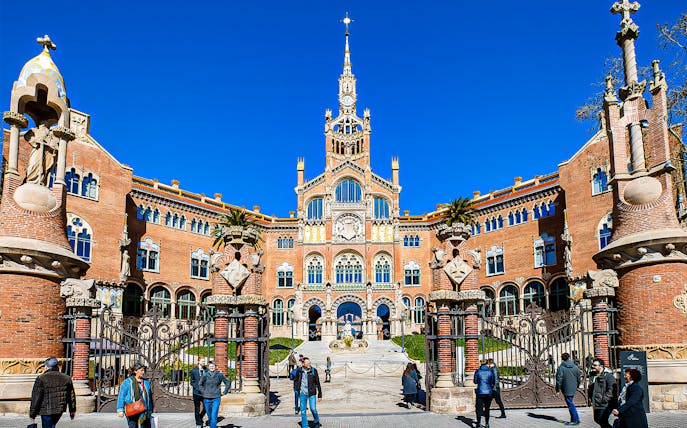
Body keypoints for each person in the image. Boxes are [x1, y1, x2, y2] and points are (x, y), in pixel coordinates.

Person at [29, 357, 76, 428]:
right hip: (59, 409)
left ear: (47, 367)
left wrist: (32, 413)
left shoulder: (41, 378)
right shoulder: (66, 378)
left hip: (46, 409)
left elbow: (36, 397)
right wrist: (72, 410)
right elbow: (71, 396)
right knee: (52, 425)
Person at [116, 361, 154, 428]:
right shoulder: (127, 382)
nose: (143, 372)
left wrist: (150, 409)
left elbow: (149, 397)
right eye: (141, 370)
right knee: (133, 426)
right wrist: (120, 409)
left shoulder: (146, 382)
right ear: (135, 371)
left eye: (143, 370)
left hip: (145, 410)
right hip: (132, 409)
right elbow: (121, 396)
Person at [199, 361, 230, 428]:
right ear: (208, 367)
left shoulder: (219, 375)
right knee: (209, 415)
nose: (212, 367)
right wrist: (203, 392)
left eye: (213, 366)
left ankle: (212, 426)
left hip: (216, 398)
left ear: (215, 367)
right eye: (210, 366)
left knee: (214, 415)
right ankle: (212, 424)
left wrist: (225, 392)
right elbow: (200, 384)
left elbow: (227, 382)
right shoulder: (205, 375)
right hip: (206, 398)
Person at [293, 357, 322, 428]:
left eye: (310, 363)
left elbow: (318, 383)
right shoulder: (299, 371)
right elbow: (296, 380)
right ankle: (305, 426)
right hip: (303, 393)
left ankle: (316, 420)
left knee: (313, 409)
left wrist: (320, 395)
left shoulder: (313, 370)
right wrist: (297, 389)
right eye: (307, 363)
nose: (309, 364)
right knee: (303, 411)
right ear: (303, 364)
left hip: (312, 393)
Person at [588, 358, 616, 428]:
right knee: (597, 419)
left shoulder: (608, 376)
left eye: (595, 365)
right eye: (592, 365)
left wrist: (604, 399)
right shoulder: (592, 376)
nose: (593, 366)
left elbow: (611, 390)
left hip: (605, 404)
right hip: (596, 402)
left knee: (602, 420)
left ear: (601, 366)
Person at [556, 352, 581, 426]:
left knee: (570, 404)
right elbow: (579, 378)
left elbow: (559, 379)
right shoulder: (575, 367)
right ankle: (573, 419)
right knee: (570, 402)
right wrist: (577, 386)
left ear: (562, 358)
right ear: (569, 357)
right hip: (573, 387)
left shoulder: (561, 367)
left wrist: (558, 389)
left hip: (566, 388)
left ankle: (576, 420)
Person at [474, 359, 495, 428]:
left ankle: (479, 423)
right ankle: (487, 424)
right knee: (487, 408)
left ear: (480, 364)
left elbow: (475, 381)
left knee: (479, 408)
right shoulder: (490, 371)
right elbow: (493, 381)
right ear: (487, 363)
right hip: (488, 392)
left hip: (480, 391)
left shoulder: (478, 371)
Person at [190, 358, 207, 428]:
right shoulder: (194, 370)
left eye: (204, 361)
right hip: (196, 393)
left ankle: (199, 417)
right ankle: (198, 424)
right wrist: (197, 387)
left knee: (206, 407)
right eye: (202, 361)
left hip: (205, 393)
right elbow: (192, 381)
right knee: (197, 408)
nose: (204, 362)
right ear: (199, 361)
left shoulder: (206, 370)